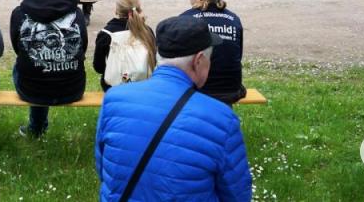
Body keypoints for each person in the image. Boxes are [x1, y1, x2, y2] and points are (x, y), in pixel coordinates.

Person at [95, 15, 252, 201]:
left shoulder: (114, 99)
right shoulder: (221, 119)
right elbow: (237, 194)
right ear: (198, 60)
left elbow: (104, 167)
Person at [10, 0, 88, 137]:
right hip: (72, 88)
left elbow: (17, 48)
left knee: (25, 65)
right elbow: (82, 47)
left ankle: (36, 128)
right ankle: (37, 126)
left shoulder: (19, 13)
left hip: (31, 89)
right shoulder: (76, 12)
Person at [181, 0, 246, 104]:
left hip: (199, 90)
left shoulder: (186, 18)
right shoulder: (234, 19)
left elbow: (181, 59)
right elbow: (238, 54)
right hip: (231, 89)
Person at [93, 0, 156, 90]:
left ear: (117, 10)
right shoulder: (147, 31)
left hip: (113, 87)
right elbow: (153, 61)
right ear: (139, 8)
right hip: (143, 85)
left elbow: (98, 67)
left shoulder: (106, 34)